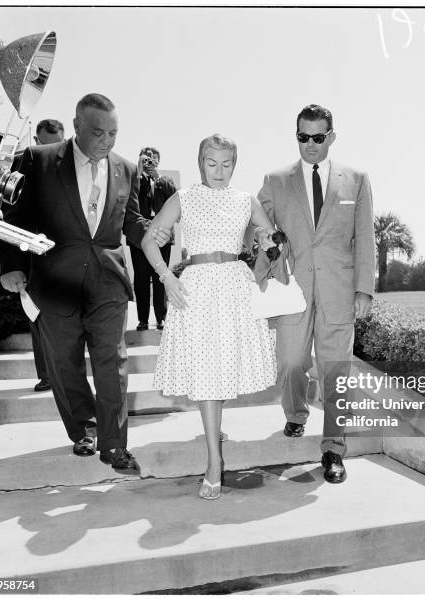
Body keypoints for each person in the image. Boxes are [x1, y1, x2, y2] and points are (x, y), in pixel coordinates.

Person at [0, 93, 151, 474]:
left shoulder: (127, 169)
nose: (106, 140)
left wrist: (160, 233)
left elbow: (131, 222)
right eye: (98, 131)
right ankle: (84, 428)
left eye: (113, 132)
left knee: (112, 361)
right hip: (54, 278)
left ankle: (115, 446)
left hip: (108, 281)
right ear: (78, 125)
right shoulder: (39, 159)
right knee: (64, 362)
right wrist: (12, 265)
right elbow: (16, 213)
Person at [141, 134, 277, 500]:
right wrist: (166, 277)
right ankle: (214, 461)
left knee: (222, 369)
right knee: (205, 373)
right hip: (196, 288)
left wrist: (268, 242)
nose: (219, 171)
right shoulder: (183, 198)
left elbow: (269, 235)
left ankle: (214, 431)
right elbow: (150, 240)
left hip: (235, 285)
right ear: (201, 161)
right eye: (212, 163)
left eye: (227, 164)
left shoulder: (245, 200)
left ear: (236, 163)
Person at [255, 104, 375, 484]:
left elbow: (365, 238)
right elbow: (254, 228)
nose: (310, 144)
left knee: (336, 370)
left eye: (318, 137)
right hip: (292, 288)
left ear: (331, 138)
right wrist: (264, 240)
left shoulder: (356, 179)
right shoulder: (275, 181)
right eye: (303, 137)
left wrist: (364, 290)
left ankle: (334, 448)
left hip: (339, 291)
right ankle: (295, 413)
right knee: (290, 362)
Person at [28, 119, 66, 392]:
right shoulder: (28, 163)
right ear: (37, 141)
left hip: (71, 260)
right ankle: (46, 374)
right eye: (46, 145)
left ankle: (67, 372)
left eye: (58, 145)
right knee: (37, 318)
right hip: (36, 259)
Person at [129, 147, 177, 331]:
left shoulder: (165, 180)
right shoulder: (136, 179)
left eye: (153, 160)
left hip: (162, 236)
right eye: (146, 159)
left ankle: (161, 318)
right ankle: (142, 319)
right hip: (139, 236)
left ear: (158, 161)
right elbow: (130, 195)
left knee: (161, 277)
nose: (150, 163)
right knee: (141, 279)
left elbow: (175, 198)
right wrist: (140, 172)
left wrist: (157, 177)